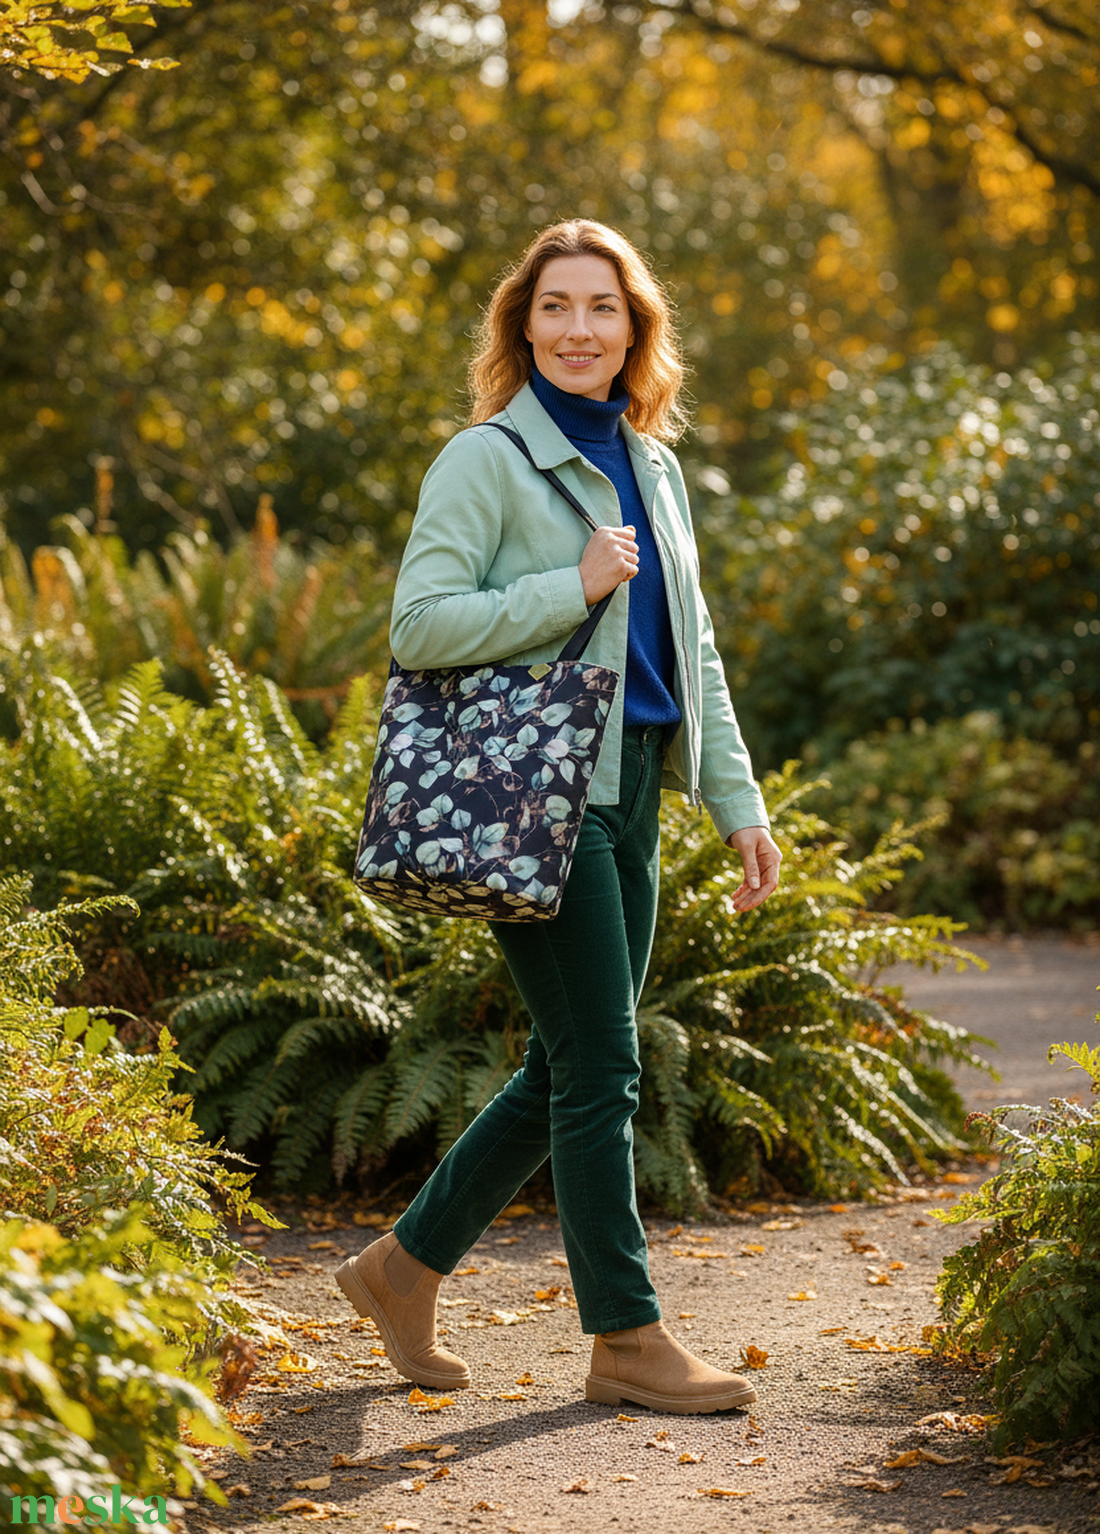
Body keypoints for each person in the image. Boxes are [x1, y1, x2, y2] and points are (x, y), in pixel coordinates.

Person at [336, 219, 782, 1415]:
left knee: (565, 1063)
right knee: (603, 1068)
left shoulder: (656, 467)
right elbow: (416, 626)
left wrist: (735, 802)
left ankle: (398, 1270)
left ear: (634, 331)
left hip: (632, 789)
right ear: (521, 327)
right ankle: (624, 1337)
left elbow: (693, 653)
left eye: (601, 308)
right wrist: (566, 586)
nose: (578, 329)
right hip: (534, 792)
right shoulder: (483, 459)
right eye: (554, 307)